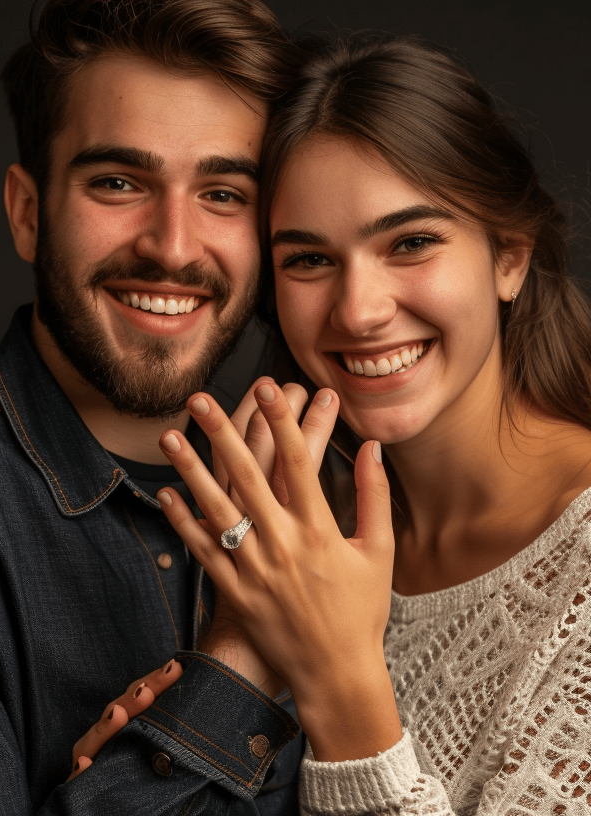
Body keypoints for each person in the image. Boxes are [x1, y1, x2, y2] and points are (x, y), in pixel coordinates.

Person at [0, 1, 306, 813]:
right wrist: (241, 663)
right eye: (119, 182)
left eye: (223, 193)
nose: (174, 245)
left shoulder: (329, 483)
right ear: (27, 211)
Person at [152, 33, 591, 813]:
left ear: (511, 257)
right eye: (308, 260)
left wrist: (336, 675)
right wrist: (236, 658)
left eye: (412, 242)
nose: (357, 311)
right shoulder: (287, 528)